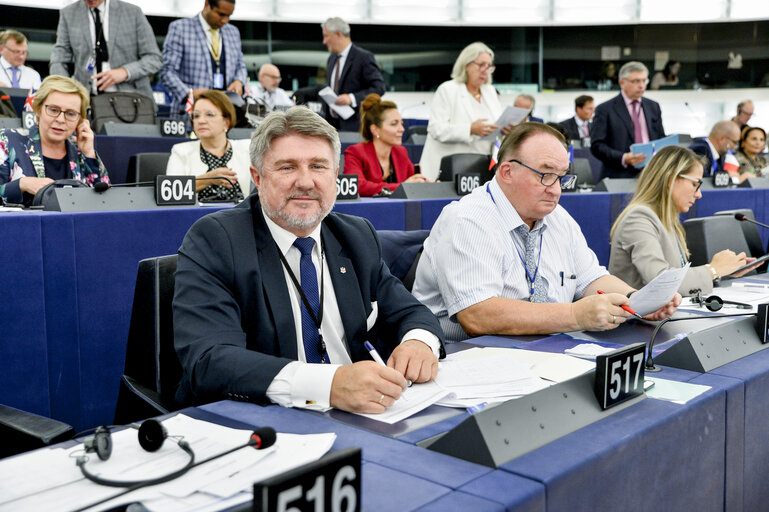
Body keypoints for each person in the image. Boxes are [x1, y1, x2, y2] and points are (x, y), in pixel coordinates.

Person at [173, 106, 444, 412]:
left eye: (318, 166)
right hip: (264, 421)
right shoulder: (216, 240)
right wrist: (328, 385)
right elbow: (209, 359)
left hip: (360, 417)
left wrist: (418, 342)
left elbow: (411, 311)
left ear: (336, 175)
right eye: (287, 167)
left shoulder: (355, 236)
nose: (305, 182)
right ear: (258, 178)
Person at [412, 122, 679, 342]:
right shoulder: (468, 219)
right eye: (545, 175)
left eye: (562, 177)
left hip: (546, 348)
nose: (556, 189)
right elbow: (477, 315)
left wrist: (637, 302)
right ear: (507, 172)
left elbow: (590, 279)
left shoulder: (558, 217)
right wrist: (574, 316)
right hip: (470, 355)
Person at [609, 146, 754, 296]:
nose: (699, 195)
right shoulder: (639, 218)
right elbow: (661, 281)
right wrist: (713, 270)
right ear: (670, 179)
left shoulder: (666, 218)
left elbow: (676, 276)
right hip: (638, 318)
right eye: (695, 184)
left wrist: (723, 270)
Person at [0, 75, 109, 204]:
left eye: (70, 114)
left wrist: (89, 155)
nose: (60, 120)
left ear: (80, 120)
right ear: (38, 109)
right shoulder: (7, 141)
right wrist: (22, 184)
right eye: (53, 110)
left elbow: (105, 201)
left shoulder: (81, 151)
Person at [418, 42, 508, 181]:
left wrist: (504, 130)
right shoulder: (448, 89)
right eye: (481, 65)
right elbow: (436, 129)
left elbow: (494, 128)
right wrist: (470, 129)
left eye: (489, 66)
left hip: (481, 169)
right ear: (467, 65)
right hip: (447, 171)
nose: (485, 70)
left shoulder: (489, 91)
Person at [49, 0, 162, 101]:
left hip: (131, 100)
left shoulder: (133, 13)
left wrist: (125, 72)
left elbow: (154, 59)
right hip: (86, 100)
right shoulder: (68, 13)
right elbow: (59, 57)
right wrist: (64, 88)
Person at [161, 0, 248, 118]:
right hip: (190, 114)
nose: (225, 20)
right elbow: (167, 71)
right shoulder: (180, 28)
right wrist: (189, 93)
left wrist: (238, 81)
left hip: (225, 115)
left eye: (229, 16)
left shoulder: (233, 32)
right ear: (207, 5)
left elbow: (240, 65)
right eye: (221, 14)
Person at [166, 90, 251, 202]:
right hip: (197, 218)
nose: (200, 121)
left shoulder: (247, 148)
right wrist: (209, 178)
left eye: (209, 115)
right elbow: (170, 192)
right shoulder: (180, 151)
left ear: (226, 122)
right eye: (196, 116)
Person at [591, 61, 665, 179]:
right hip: (618, 175)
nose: (641, 85)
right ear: (622, 82)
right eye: (636, 81)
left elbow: (660, 137)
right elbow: (597, 146)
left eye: (644, 80)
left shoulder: (653, 106)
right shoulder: (605, 109)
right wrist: (624, 158)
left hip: (651, 175)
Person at [343, 94, 428, 196]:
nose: (402, 129)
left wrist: (427, 184)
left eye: (401, 123)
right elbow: (358, 186)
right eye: (394, 124)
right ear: (375, 130)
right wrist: (403, 186)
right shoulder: (355, 152)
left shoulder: (401, 152)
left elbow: (414, 181)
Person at [321, 17, 385, 132]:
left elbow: (378, 88)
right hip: (331, 126)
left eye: (326, 36)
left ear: (338, 34)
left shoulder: (363, 57)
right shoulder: (331, 59)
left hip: (354, 127)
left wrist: (351, 98)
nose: (324, 41)